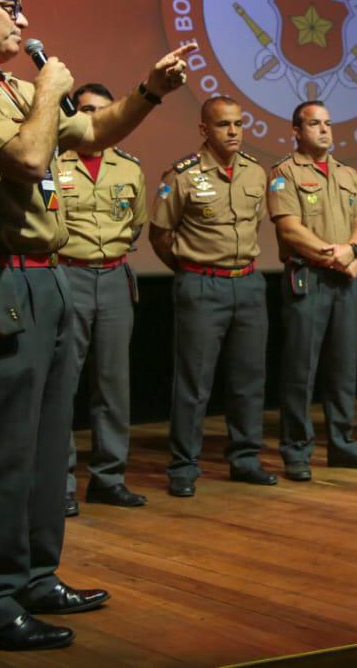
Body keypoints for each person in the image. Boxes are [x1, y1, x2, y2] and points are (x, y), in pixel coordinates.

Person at [0, 0, 195, 651]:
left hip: (43, 276)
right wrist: (49, 94)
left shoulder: (8, 86)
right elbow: (29, 160)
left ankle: (33, 574)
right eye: (13, 6)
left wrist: (149, 90)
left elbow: (91, 135)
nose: (25, 20)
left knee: (43, 443)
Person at [150, 96, 276, 497]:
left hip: (249, 283)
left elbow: (255, 224)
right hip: (202, 284)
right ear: (205, 130)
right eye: (224, 125)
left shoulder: (256, 173)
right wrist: (192, 269)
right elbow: (161, 234)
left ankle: (245, 458)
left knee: (248, 379)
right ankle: (184, 466)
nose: (234, 132)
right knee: (194, 383)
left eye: (239, 124)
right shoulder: (182, 175)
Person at [268, 100, 357, 480]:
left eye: (328, 124)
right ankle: (297, 452)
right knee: (301, 371)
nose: (324, 130)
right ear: (297, 131)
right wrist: (333, 255)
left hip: (345, 279)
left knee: (343, 370)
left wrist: (351, 250)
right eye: (314, 124)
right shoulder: (284, 172)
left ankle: (342, 445)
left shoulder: (347, 174)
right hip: (309, 279)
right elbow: (288, 228)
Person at [58, 83, 148, 516]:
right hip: (66, 276)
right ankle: (60, 487)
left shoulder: (129, 167)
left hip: (114, 277)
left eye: (102, 111)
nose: (94, 119)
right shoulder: (55, 161)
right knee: (63, 386)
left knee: (112, 387)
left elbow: (136, 225)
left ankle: (108, 479)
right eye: (86, 110)